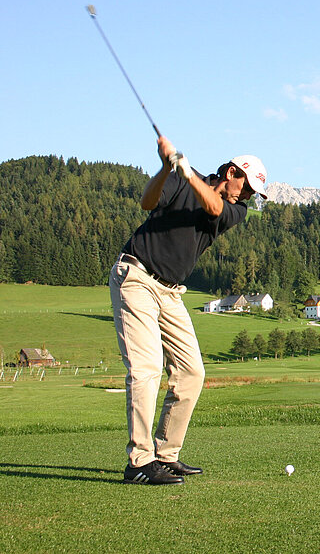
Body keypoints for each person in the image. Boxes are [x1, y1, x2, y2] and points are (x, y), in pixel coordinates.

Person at [110, 136, 267, 485]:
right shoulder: (182, 177)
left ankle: (166, 456)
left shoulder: (234, 210)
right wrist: (167, 168)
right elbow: (146, 201)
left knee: (191, 372)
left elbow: (212, 207)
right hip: (135, 276)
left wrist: (183, 168)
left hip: (171, 292)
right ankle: (139, 461)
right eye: (247, 188)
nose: (248, 197)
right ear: (231, 172)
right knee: (146, 368)